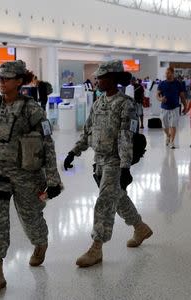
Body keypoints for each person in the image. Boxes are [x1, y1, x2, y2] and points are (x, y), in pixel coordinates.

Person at [0, 60, 62, 296]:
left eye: (6, 78)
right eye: (0, 78)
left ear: (19, 81)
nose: (1, 82)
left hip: (26, 174)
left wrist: (53, 179)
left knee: (30, 217)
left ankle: (40, 243)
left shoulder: (32, 109)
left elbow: (47, 144)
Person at [63, 60, 153, 268]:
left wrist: (125, 166)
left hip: (115, 162)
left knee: (104, 201)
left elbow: (126, 137)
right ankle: (140, 227)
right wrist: (73, 152)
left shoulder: (126, 104)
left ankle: (96, 247)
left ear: (113, 79)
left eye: (101, 77)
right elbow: (87, 133)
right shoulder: (98, 103)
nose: (97, 80)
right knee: (118, 198)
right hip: (99, 161)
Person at [157, 67, 187, 149]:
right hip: (164, 108)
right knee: (165, 125)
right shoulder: (162, 83)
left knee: (173, 125)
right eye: (166, 73)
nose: (166, 74)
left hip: (175, 107)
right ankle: (168, 135)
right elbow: (157, 95)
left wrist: (185, 106)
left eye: (168, 73)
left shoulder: (178, 84)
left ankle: (172, 142)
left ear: (172, 73)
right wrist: (160, 99)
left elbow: (182, 96)